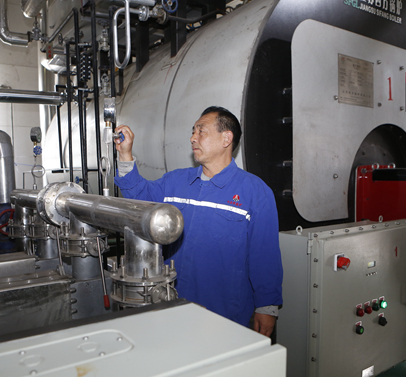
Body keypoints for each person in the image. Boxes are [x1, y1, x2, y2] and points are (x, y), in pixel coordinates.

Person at [114, 106, 283, 337]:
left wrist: (267, 306)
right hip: (172, 305)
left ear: (226, 138)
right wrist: (125, 155)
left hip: (224, 315)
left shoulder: (255, 192)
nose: (193, 138)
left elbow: (265, 254)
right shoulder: (175, 182)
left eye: (201, 131)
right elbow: (138, 199)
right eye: (193, 131)